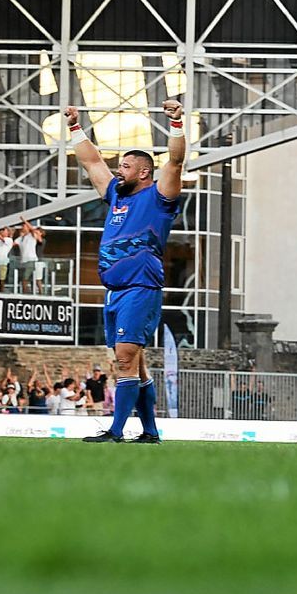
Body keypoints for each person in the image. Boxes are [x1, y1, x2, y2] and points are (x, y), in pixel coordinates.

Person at [70, 99, 186, 444]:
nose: (119, 170)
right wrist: (76, 126)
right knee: (135, 363)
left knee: (124, 359)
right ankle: (150, 432)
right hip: (116, 290)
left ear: (144, 172)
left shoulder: (159, 196)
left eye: (125, 166)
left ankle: (116, 431)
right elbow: (91, 160)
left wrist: (177, 123)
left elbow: (176, 161)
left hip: (140, 287)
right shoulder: (116, 196)